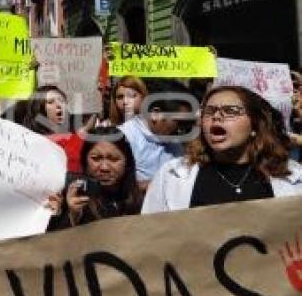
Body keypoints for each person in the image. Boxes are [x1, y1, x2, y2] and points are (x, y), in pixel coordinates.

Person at [143, 86, 302, 213]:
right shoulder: (171, 174)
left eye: (231, 111)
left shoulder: (294, 175)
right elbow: (150, 236)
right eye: (209, 111)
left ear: (254, 124)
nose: (217, 116)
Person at [49, 126, 142, 229]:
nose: (104, 167)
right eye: (96, 159)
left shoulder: (139, 198)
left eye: (113, 159)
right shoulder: (71, 196)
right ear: (85, 161)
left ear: (127, 162)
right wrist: (72, 215)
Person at [118, 79, 194, 188]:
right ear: (155, 114)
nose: (182, 129)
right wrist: (155, 186)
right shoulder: (125, 138)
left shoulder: (175, 141)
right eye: (179, 122)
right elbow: (115, 185)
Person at [23, 85, 88, 173]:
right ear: (38, 108)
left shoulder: (80, 139)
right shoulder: (28, 142)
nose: (58, 105)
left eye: (62, 101)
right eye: (50, 102)